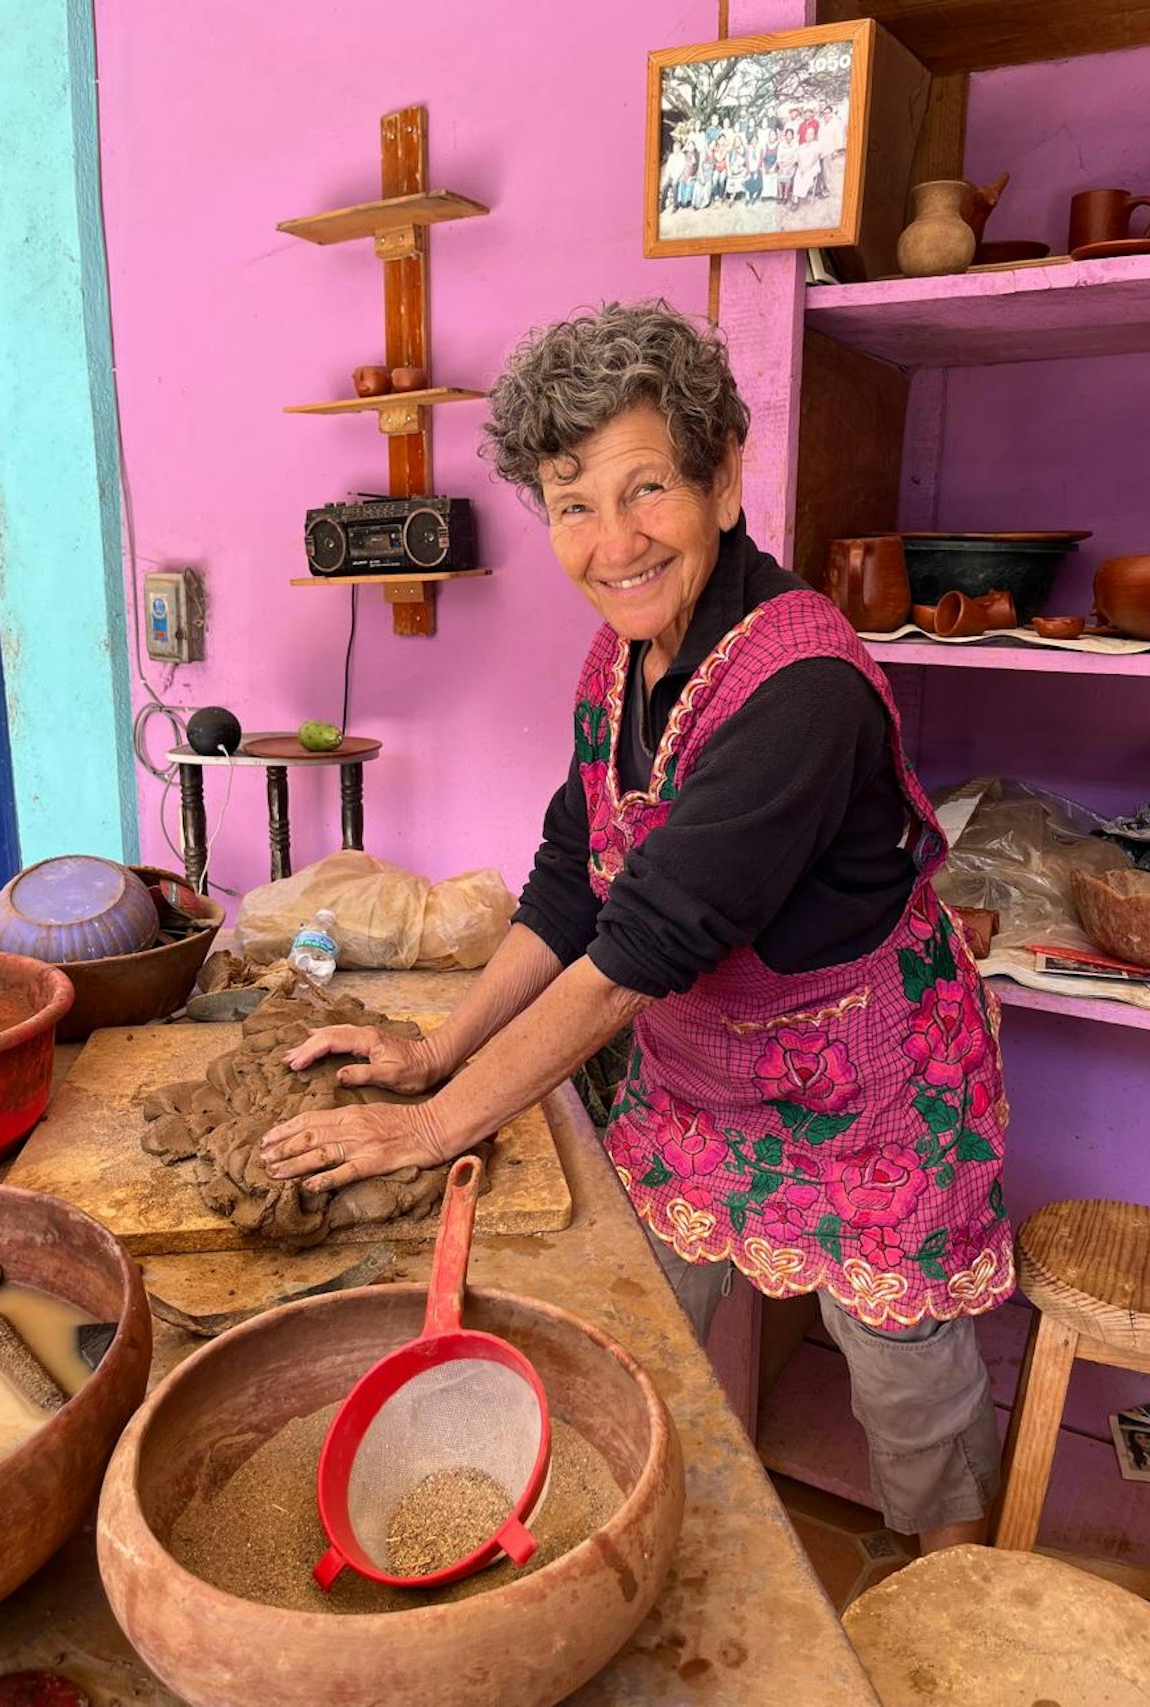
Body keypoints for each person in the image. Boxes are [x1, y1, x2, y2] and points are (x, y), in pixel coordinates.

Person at [260, 301, 1014, 1555]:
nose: (612, 543)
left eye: (646, 488)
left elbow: (636, 953)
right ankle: (635, 1546)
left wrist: (432, 1128)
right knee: (638, 1324)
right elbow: (573, 880)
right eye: (571, 504)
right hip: (704, 1081)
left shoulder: (801, 693)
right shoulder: (621, 660)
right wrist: (435, 1052)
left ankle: (959, 1598)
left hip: (866, 1092)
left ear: (722, 481)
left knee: (903, 1381)